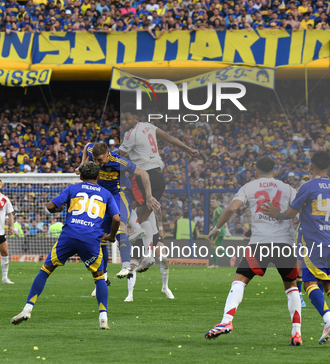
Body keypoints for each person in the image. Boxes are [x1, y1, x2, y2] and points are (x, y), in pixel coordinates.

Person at [205, 156, 302, 346]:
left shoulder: (249, 187)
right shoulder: (288, 189)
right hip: (285, 244)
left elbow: (232, 208)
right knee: (291, 287)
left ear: (256, 172)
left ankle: (226, 321)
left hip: (260, 244)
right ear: (275, 172)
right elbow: (297, 211)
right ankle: (296, 332)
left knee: (240, 280)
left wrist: (216, 228)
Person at [11, 162, 120, 329]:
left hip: (69, 236)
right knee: (99, 278)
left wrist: (59, 209)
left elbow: (50, 207)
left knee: (46, 270)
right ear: (99, 176)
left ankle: (27, 309)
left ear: (81, 176)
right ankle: (103, 319)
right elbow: (117, 219)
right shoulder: (106, 194)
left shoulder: (73, 188)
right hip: (91, 239)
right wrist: (111, 236)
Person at [263, 151, 330, 345]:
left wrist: (275, 214)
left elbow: (290, 213)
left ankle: (328, 320)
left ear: (311, 166)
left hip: (314, 241)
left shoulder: (308, 186)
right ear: (329, 167)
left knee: (308, 283)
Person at [119, 103, 199, 301]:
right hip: (158, 176)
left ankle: (146, 250)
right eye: (122, 120)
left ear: (135, 118)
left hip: (145, 175)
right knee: (144, 212)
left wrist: (102, 162)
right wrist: (188, 149)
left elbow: (118, 157)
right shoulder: (149, 127)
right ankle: (132, 289)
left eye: (127, 119)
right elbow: (170, 138)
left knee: (137, 213)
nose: (123, 123)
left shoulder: (130, 135)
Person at [79, 141, 160, 284]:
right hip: (102, 195)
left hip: (119, 194)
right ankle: (103, 277)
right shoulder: (92, 151)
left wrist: (149, 197)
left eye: (100, 160)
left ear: (107, 154)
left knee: (120, 223)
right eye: (95, 160)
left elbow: (143, 172)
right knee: (101, 236)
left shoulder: (118, 161)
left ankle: (126, 267)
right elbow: (87, 146)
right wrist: (83, 162)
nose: (97, 163)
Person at [208, 197, 228, 268]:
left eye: (213, 202)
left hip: (218, 231)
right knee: (217, 246)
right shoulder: (215, 210)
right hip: (219, 230)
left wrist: (226, 229)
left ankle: (215, 264)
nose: (212, 203)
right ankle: (230, 257)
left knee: (213, 246)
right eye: (211, 202)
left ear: (217, 203)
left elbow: (223, 218)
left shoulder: (218, 209)